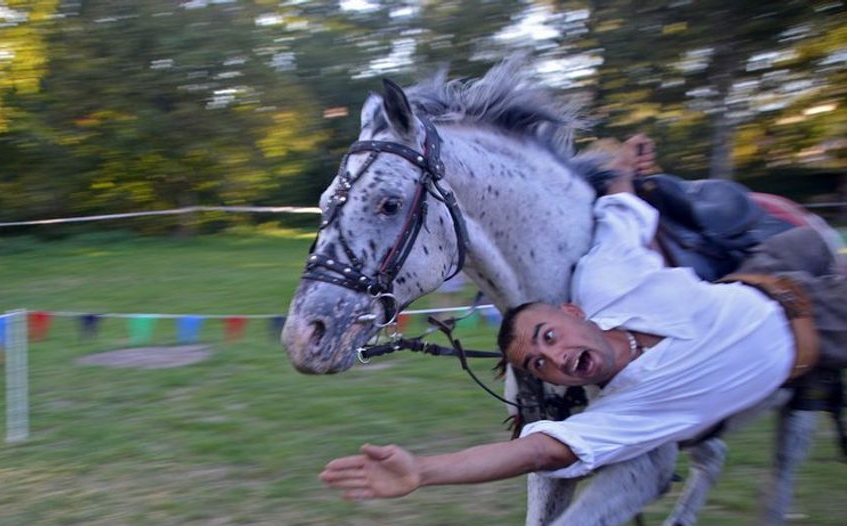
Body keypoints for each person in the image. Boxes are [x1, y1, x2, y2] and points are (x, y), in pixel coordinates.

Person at [320, 138, 846, 500]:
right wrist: (423, 471)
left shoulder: (606, 280)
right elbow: (536, 453)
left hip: (770, 267)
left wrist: (626, 157)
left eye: (547, 337)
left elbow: (621, 205)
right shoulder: (629, 411)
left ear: (573, 311)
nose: (552, 357)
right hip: (823, 325)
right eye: (538, 363)